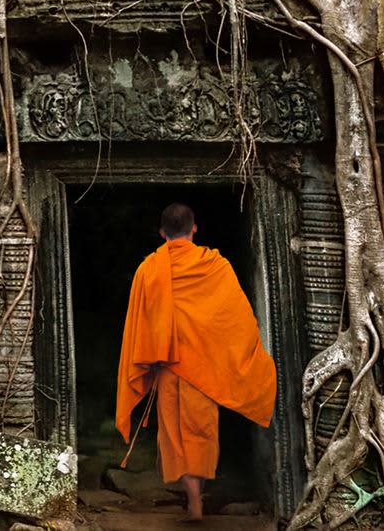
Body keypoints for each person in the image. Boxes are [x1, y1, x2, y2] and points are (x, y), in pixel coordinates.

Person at [117, 202, 278, 522]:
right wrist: (241, 353)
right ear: (194, 229)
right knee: (200, 433)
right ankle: (196, 500)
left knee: (174, 436)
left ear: (162, 233)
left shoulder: (148, 268)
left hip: (167, 369)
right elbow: (237, 319)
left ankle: (192, 499)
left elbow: (139, 322)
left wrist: (149, 360)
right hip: (203, 371)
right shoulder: (214, 265)